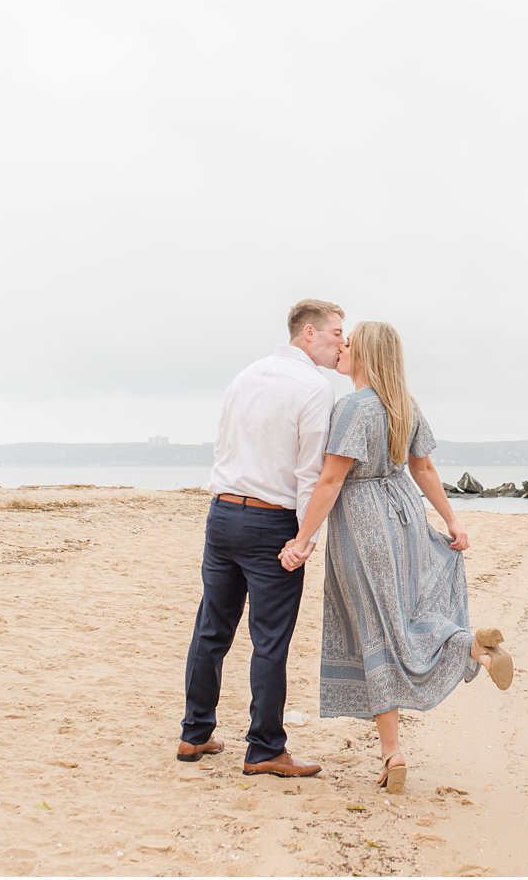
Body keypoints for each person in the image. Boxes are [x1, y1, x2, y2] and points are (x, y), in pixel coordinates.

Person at [279, 321, 513, 795]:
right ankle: (464, 646)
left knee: (375, 628)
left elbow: (331, 480)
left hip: (364, 522)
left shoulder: (352, 407)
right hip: (404, 513)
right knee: (403, 616)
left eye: (349, 343)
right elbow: (423, 468)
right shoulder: (405, 403)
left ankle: (397, 747)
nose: (341, 348)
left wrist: (302, 539)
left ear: (364, 354)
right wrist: (452, 521)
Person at [177, 298, 345, 778]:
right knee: (270, 639)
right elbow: (310, 472)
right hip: (271, 521)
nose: (341, 342)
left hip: (223, 512)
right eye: (336, 333)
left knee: (212, 627)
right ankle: (265, 748)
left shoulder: (246, 375)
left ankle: (195, 733)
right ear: (308, 333)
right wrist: (306, 536)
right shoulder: (314, 388)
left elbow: (223, 444)